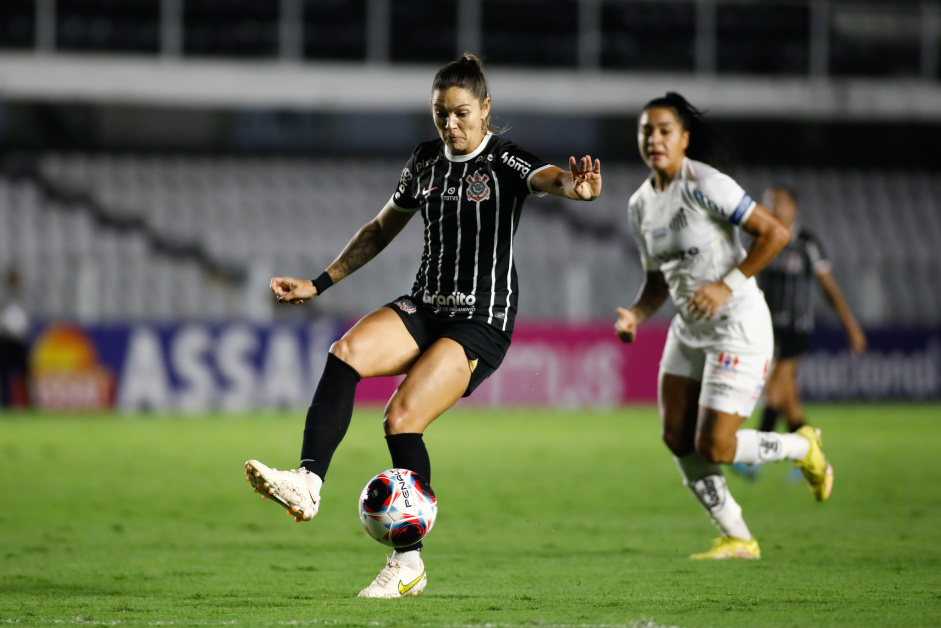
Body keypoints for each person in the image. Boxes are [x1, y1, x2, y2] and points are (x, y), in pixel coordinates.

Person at [244, 54, 602, 597]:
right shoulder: (426, 161)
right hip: (426, 306)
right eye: (440, 115)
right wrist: (319, 283)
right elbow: (379, 229)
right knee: (345, 353)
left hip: (480, 322)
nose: (451, 126)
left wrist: (576, 188)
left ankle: (408, 563)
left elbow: (547, 177)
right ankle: (309, 482)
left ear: (485, 109)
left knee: (401, 418)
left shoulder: (504, 161)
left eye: (461, 114)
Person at [613, 93, 832, 560]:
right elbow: (657, 280)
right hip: (690, 330)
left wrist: (726, 285)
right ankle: (738, 536)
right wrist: (636, 313)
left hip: (737, 325)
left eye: (664, 130)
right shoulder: (639, 205)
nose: (654, 139)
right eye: (646, 130)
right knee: (676, 436)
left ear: (684, 138)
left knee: (715, 445)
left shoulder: (705, 182)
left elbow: (776, 233)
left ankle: (802, 446)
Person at [757, 185, 866, 434]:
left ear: (794, 208)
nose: (776, 208)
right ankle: (809, 452)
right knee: (788, 395)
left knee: (774, 388)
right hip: (767, 327)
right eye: (770, 202)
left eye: (781, 202)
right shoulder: (759, 240)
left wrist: (851, 326)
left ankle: (756, 454)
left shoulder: (806, 244)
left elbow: (830, 289)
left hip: (797, 326)